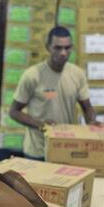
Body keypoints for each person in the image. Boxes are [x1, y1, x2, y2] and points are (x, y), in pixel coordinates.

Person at [9, 25, 98, 160]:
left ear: (72, 48)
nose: (63, 53)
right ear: (48, 47)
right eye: (58, 48)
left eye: (67, 48)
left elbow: (87, 107)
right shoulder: (32, 76)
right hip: (37, 151)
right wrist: (40, 125)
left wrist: (91, 122)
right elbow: (14, 112)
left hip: (65, 148)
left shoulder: (77, 74)